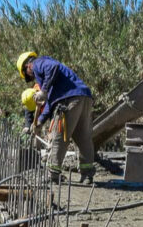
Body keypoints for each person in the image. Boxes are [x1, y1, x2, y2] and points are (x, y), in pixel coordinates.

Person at [16, 51, 95, 183]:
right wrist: (39, 122)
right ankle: (87, 174)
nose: (32, 78)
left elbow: (53, 67)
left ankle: (53, 173)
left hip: (68, 99)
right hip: (83, 96)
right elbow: (49, 104)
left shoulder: (38, 63)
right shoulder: (52, 80)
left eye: (29, 75)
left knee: (59, 135)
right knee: (83, 138)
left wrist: (44, 90)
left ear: (28, 67)